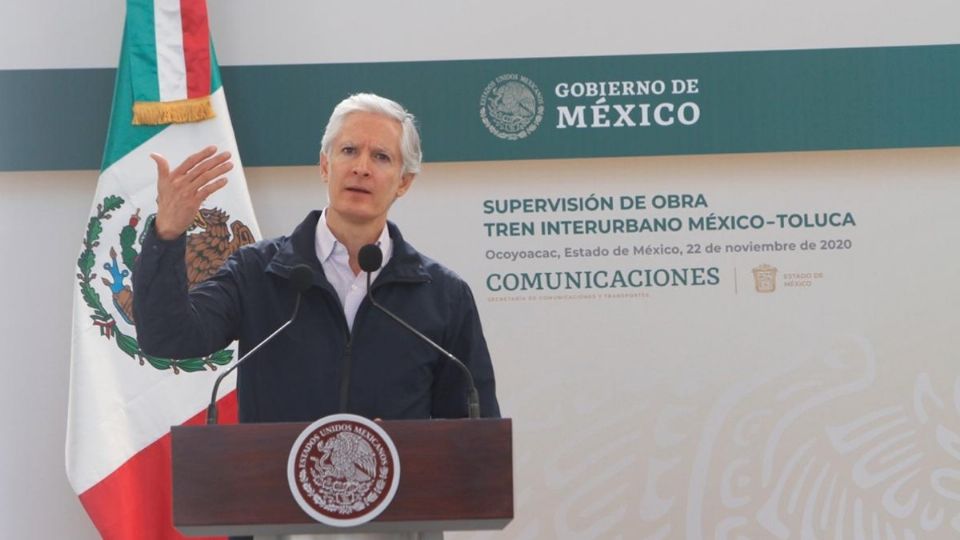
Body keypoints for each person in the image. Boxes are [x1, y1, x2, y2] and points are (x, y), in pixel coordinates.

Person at [133, 93, 500, 426]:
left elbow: (474, 434)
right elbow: (168, 337)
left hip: (399, 499)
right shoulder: (258, 273)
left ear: (404, 182)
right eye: (349, 151)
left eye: (381, 157)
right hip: (276, 495)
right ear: (325, 166)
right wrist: (166, 235)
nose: (361, 167)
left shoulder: (443, 296)